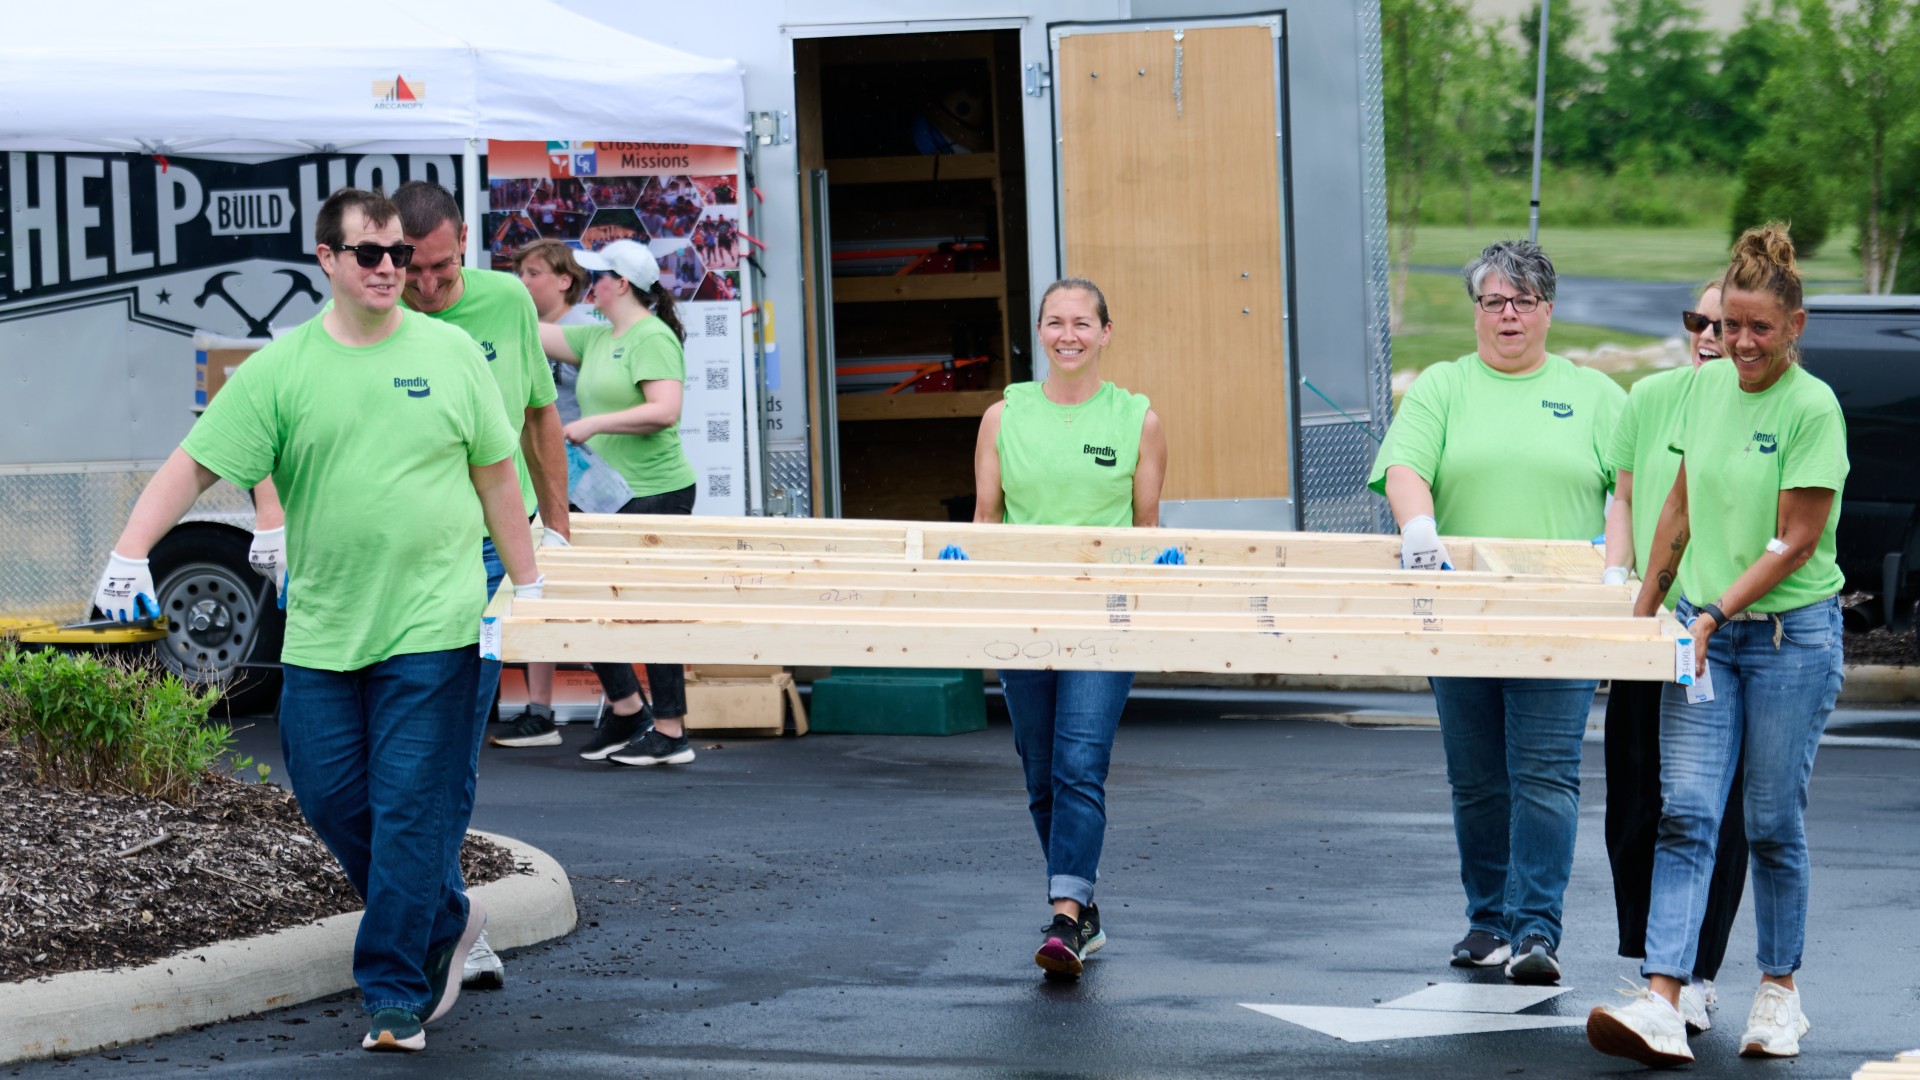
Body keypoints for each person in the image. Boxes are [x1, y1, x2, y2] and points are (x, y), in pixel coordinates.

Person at [89, 188, 541, 1053]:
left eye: (398, 256)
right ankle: (446, 913)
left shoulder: (450, 354)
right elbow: (193, 465)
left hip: (436, 623)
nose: (387, 270)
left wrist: (528, 586)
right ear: (327, 260)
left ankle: (395, 994)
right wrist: (129, 551)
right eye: (368, 254)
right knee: (333, 797)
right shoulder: (283, 368)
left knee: (410, 808)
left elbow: (495, 477)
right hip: (326, 629)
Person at [1587, 223, 1847, 1068]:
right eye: (1726, 325)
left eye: (1758, 328)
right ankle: (1665, 998)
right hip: (1706, 634)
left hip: (1787, 638)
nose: (1737, 342)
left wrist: (1714, 615)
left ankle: (1779, 994)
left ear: (1795, 325)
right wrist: (1647, 610)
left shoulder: (1812, 408)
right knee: (1686, 814)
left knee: (1770, 821)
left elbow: (1794, 542)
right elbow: (1678, 509)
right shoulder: (1702, 391)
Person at [1367, 238, 1627, 986]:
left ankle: (1536, 928)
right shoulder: (1445, 387)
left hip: (1561, 615)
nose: (1507, 314)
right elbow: (1406, 466)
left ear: (1547, 310)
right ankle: (1488, 921)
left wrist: (1616, 571)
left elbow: (1627, 489)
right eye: (1492, 301)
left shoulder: (1596, 394)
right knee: (1478, 779)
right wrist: (1418, 532)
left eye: (1522, 301)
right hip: (1462, 613)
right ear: (1476, 310)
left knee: (1546, 776)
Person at [390, 180, 572, 992]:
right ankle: (445, 913)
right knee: (407, 751)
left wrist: (558, 530)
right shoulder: (380, 314)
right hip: (415, 555)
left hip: (497, 554)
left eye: (440, 269)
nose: (425, 288)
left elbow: (539, 416)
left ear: (466, 243)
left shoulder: (504, 301)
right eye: (410, 269)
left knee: (455, 744)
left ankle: (447, 915)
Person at [971, 277, 1167, 978]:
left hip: (1104, 618)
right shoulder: (1005, 416)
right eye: (1055, 322)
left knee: (1080, 763)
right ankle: (1082, 906)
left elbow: (1148, 531)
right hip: (1023, 612)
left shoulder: (1136, 420)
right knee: (1040, 772)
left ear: (1105, 333)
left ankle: (1064, 913)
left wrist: (1156, 578)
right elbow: (985, 521)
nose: (1068, 335)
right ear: (1041, 333)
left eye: (1083, 323)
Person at [1599, 279, 1748, 1033]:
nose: (1709, 335)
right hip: (1647, 624)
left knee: (1706, 808)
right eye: (1699, 321)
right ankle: (1653, 959)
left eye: (1725, 324)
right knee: (1634, 800)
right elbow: (1624, 498)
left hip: (1718, 631)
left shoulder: (1752, 406)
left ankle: (1697, 974)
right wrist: (1619, 582)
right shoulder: (1650, 397)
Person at [537, 238, 699, 767]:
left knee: (654, 611)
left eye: (597, 275)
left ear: (620, 284)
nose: (589, 282)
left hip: (656, 493)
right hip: (606, 495)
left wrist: (591, 423)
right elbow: (534, 333)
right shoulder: (600, 336)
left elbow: (665, 410)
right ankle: (629, 710)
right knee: (579, 601)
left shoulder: (651, 337)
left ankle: (671, 733)